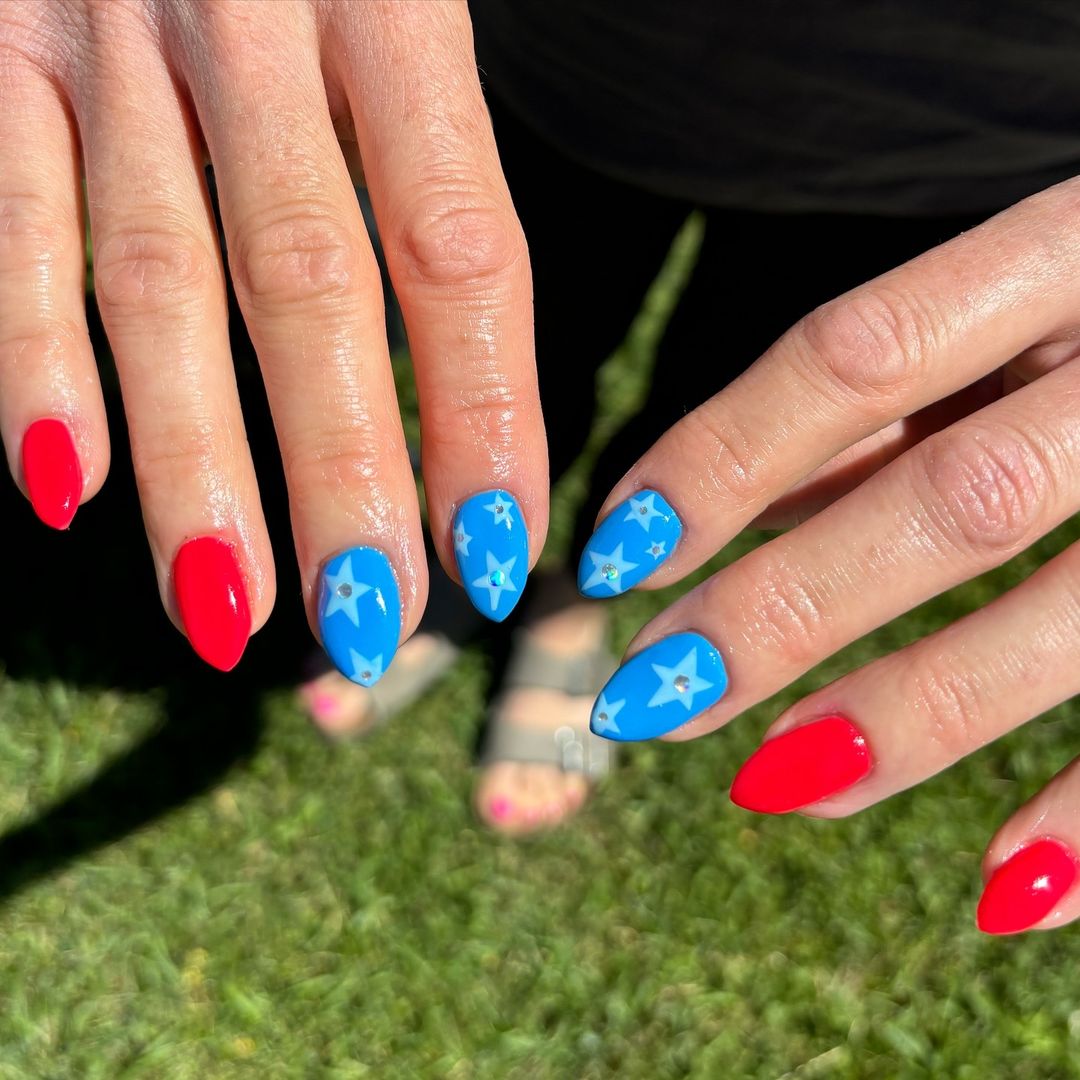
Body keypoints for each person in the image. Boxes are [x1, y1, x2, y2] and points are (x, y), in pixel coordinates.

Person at [4, 0, 1080, 935]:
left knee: (734, 433)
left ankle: (572, 608)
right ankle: (474, 581)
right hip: (561, 59)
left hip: (960, 140)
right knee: (510, 359)